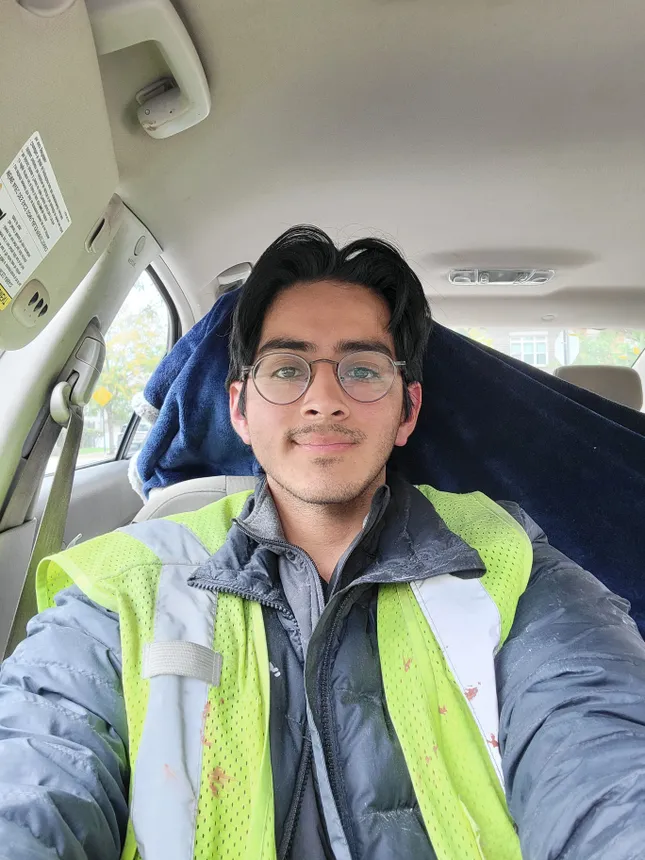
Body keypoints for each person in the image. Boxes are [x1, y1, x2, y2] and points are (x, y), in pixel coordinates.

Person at [1, 226, 644, 860]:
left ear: (408, 411)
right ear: (240, 410)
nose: (324, 400)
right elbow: (37, 769)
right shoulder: (128, 584)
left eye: (362, 369)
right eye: (287, 369)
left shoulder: (514, 565)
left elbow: (604, 758)